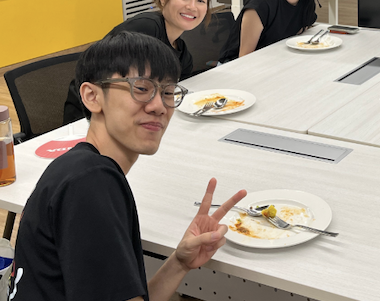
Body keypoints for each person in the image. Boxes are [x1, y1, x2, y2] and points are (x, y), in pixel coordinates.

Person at [11, 31, 247, 300]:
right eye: (141, 88)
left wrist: (180, 262)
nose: (159, 106)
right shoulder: (90, 183)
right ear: (92, 96)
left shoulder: (83, 168)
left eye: (168, 92)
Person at [63, 0, 211, 124]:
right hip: (91, 112)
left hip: (132, 115)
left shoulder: (182, 54)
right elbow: (100, 76)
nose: (192, 6)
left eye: (200, 0)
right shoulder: (145, 28)